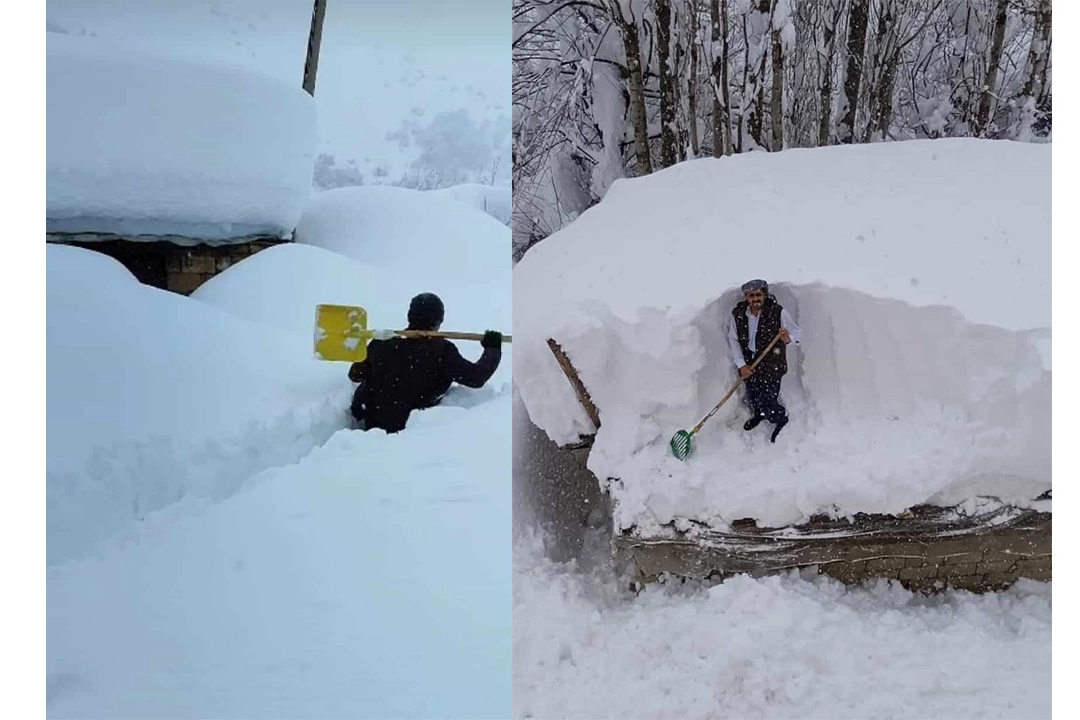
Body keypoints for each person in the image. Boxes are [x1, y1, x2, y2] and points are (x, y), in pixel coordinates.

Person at [348, 292, 503, 434]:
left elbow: (355, 375)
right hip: (412, 431)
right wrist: (493, 349)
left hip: (372, 425)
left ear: (409, 316)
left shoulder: (381, 342)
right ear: (438, 321)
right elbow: (475, 378)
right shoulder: (442, 351)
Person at [726, 279, 801, 442]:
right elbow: (734, 340)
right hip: (750, 364)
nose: (755, 299)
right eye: (751, 295)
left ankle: (779, 418)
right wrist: (742, 365)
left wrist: (788, 338)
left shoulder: (777, 312)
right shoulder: (738, 315)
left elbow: (798, 333)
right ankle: (759, 415)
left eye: (758, 294)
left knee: (768, 399)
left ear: (765, 295)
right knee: (753, 395)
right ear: (746, 297)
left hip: (771, 364)